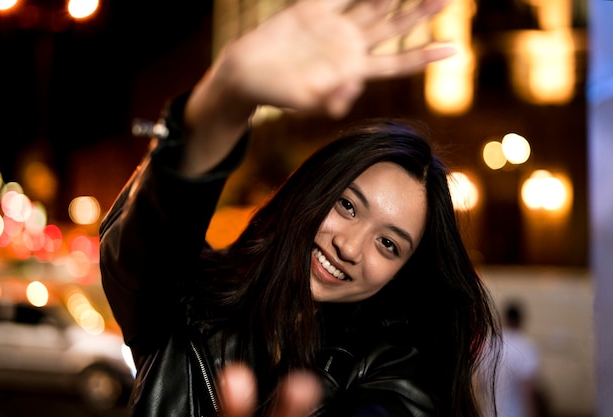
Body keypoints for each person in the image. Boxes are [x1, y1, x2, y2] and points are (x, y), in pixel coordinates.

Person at [99, 0, 502, 416]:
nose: (349, 247)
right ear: (311, 191)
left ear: (404, 271)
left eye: (387, 243)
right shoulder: (186, 302)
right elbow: (154, 227)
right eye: (347, 205)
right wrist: (229, 94)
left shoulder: (401, 366)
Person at [495, 302, 541, 417]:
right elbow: (528, 387)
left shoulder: (490, 344)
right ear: (521, 320)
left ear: (504, 319)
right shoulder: (526, 346)